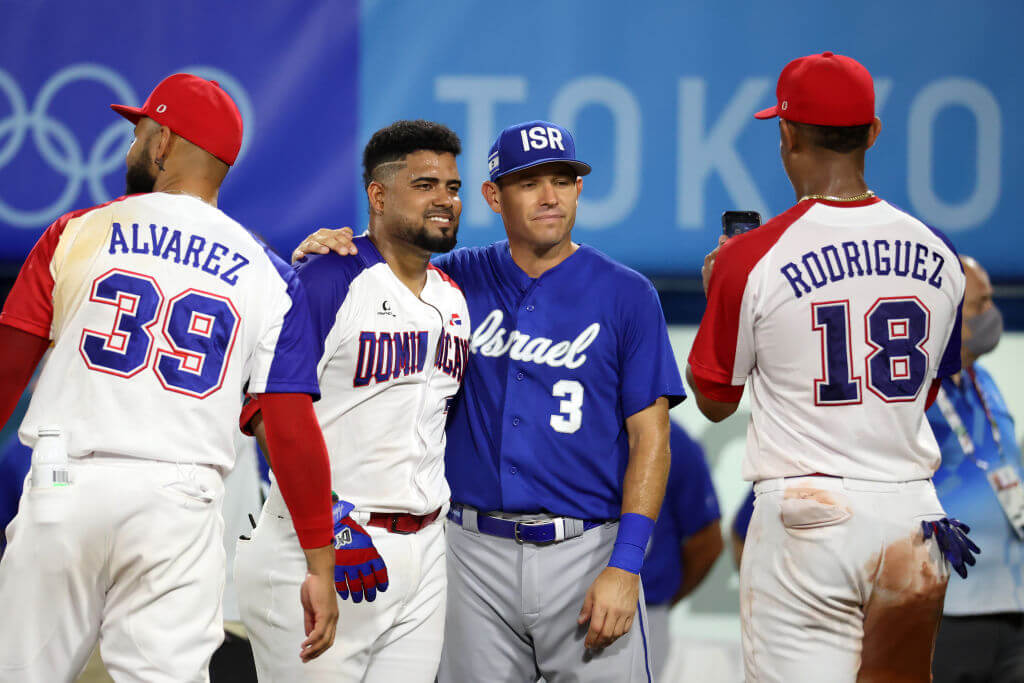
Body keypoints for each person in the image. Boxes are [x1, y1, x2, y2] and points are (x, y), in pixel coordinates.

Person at [294, 120, 685, 682]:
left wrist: (626, 565)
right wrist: (333, 248)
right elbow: (373, 264)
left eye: (564, 180)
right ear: (493, 196)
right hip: (468, 554)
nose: (551, 196)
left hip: (586, 550)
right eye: (530, 183)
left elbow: (653, 438)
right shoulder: (449, 280)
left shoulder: (628, 294)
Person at [0, 73, 337, 682]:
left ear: (163, 145)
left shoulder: (75, 232)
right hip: (179, 504)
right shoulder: (267, 273)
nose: (130, 147)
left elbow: (4, 377)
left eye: (140, 133)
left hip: (65, 485)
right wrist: (319, 559)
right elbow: (290, 428)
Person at [685, 52, 977, 682]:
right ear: (872, 133)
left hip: (808, 521)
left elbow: (714, 400)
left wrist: (721, 296)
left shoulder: (752, 257)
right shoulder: (940, 251)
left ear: (786, 133)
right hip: (911, 516)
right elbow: (922, 392)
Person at [235, 120, 470, 682]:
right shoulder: (327, 279)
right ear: (378, 194)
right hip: (321, 541)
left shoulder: (454, 296)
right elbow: (268, 410)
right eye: (426, 184)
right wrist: (331, 520)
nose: (445, 200)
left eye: (453, 187)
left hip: (424, 554)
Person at [928, 255, 1024, 683]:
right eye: (981, 305)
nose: (993, 316)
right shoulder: (917, 391)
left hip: (1015, 605)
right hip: (951, 610)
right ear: (949, 311)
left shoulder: (985, 381)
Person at [640, 420, 722, 679]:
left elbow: (707, 541)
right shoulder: (569, 429)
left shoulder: (673, 440)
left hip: (644, 613)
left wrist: (661, 599)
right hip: (562, 605)